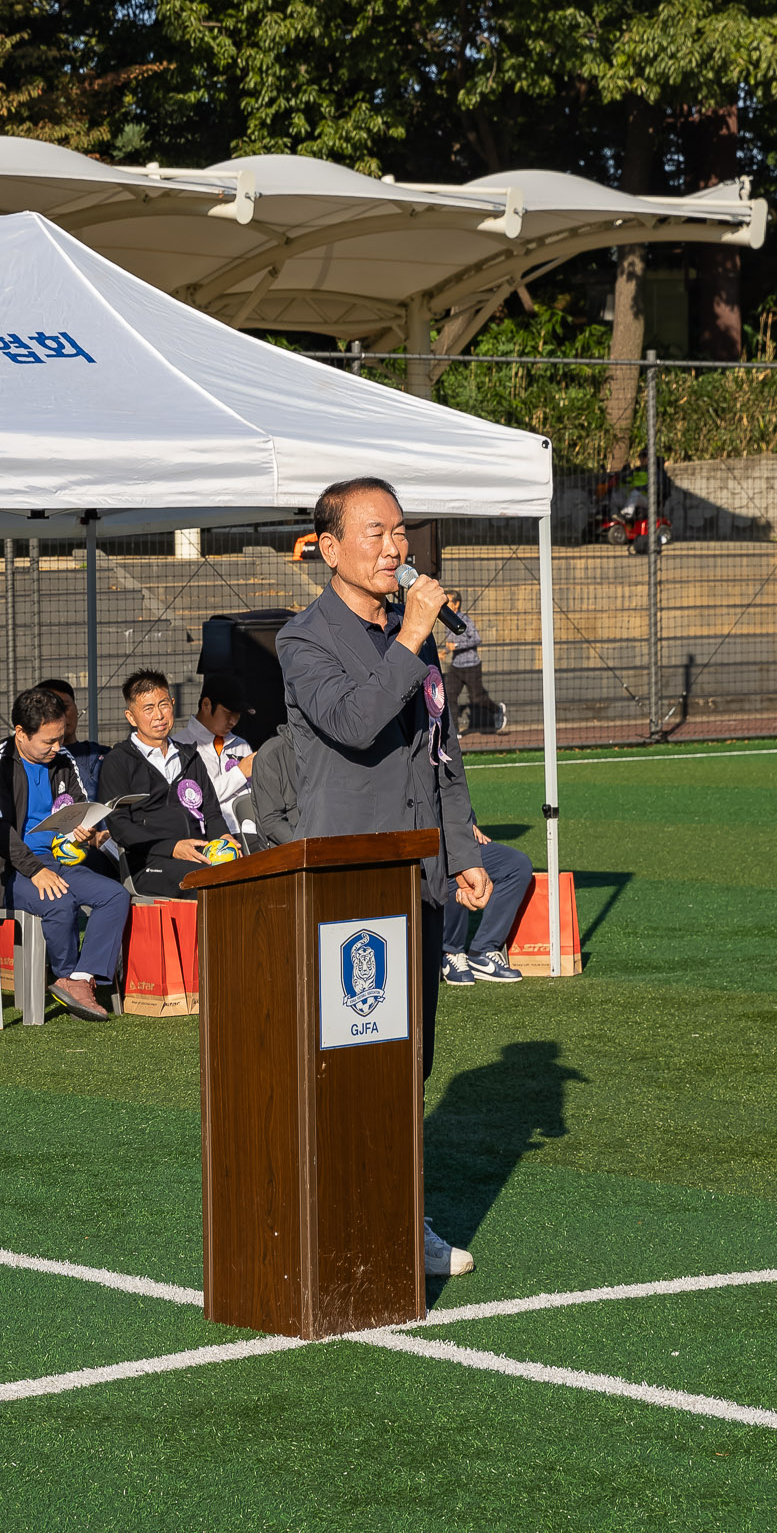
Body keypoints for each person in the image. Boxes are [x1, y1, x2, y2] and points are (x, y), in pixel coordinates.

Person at [278, 476, 493, 1279]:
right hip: (346, 880)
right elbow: (354, 724)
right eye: (375, 533)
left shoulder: (418, 636)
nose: (395, 548)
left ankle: (404, 1213)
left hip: (419, 873)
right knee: (348, 1052)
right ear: (329, 549)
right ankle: (339, 1216)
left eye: (400, 532)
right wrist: (410, 636)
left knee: (410, 1055)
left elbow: (440, 750)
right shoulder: (304, 638)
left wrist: (463, 853)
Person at [0, 685, 126, 1021]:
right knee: (59, 903)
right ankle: (68, 977)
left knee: (115, 895)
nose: (57, 747)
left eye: (60, 737)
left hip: (59, 860)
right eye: (49, 741)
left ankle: (78, 980)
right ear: (21, 733)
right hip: (7, 867)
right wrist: (35, 870)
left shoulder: (64, 759)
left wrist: (83, 828)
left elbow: (77, 806)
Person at [101, 670, 235, 899]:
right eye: (148, 709)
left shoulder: (189, 756)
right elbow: (119, 826)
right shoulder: (118, 760)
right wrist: (171, 847)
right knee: (208, 882)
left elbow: (211, 812)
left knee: (250, 872)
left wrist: (224, 838)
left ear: (173, 704)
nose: (159, 716)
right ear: (131, 717)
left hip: (201, 854)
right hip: (148, 864)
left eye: (163, 705)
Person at [441, 817, 532, 985]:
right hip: (426, 835)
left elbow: (454, 793)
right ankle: (449, 952)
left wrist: (466, 823)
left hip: (456, 829)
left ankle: (482, 952)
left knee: (517, 865)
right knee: (455, 867)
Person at [172, 673, 255, 810]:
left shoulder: (241, 744)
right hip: (206, 830)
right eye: (228, 713)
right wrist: (239, 773)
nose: (233, 721)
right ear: (206, 705)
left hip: (248, 828)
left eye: (237, 714)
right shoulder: (178, 746)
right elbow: (193, 798)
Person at [36, 678, 108, 798]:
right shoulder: (30, 761)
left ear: (76, 708)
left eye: (65, 707)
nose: (61, 715)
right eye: (52, 710)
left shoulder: (102, 754)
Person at [440, 590, 491, 722]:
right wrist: (445, 651)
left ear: (456, 604)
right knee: (449, 696)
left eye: (448, 602)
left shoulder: (465, 620)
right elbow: (451, 642)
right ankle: (455, 732)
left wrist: (456, 646)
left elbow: (476, 639)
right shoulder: (447, 621)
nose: (445, 604)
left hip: (471, 667)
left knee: (476, 698)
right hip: (456, 667)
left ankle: (497, 710)